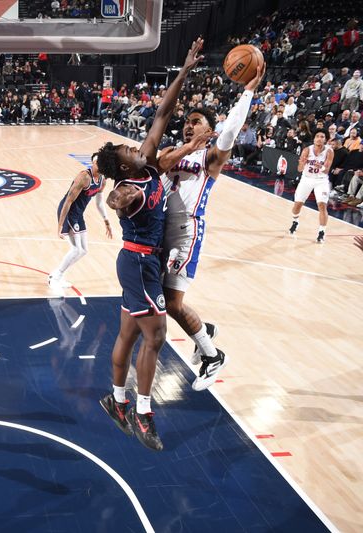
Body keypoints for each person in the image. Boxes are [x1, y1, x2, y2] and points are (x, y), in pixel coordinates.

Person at [95, 38, 205, 451]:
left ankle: (117, 400)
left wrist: (186, 68)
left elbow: (163, 111)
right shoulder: (128, 185)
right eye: (126, 148)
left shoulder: (146, 159)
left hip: (142, 265)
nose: (133, 144)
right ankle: (142, 415)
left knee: (128, 333)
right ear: (123, 165)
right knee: (155, 336)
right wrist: (117, 198)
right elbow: (114, 199)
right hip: (139, 266)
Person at [161, 63, 265, 391]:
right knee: (166, 300)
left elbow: (232, 129)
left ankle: (212, 355)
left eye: (196, 122)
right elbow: (160, 163)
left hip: (187, 231)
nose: (189, 126)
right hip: (163, 228)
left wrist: (247, 91)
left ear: (209, 128)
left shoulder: (211, 157)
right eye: (187, 122)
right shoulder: (173, 152)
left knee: (172, 302)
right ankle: (204, 329)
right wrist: (186, 147)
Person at [48, 153, 112, 290]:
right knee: (76, 249)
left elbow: (99, 203)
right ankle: (56, 277)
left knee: (84, 251)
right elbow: (68, 201)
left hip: (78, 214)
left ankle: (57, 274)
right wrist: (60, 225)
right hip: (69, 212)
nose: (99, 165)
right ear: (92, 163)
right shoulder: (84, 177)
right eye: (97, 162)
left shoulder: (102, 180)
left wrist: (106, 221)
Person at [289, 130, 334, 243]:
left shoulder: (329, 151)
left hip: (321, 180)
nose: (319, 138)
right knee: (296, 206)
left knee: (322, 206)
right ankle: (295, 221)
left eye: (322, 136)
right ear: (314, 138)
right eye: (317, 136)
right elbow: (299, 169)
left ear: (325, 139)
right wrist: (302, 163)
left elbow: (327, 170)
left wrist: (321, 167)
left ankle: (322, 231)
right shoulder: (307, 150)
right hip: (307, 179)